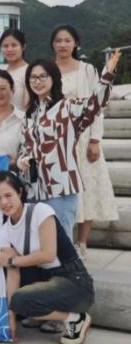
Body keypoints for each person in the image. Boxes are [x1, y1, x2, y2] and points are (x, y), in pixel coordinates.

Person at [18, 50, 121, 244]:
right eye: (33, 77)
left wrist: (107, 74)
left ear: (54, 79)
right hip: (34, 187)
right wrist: (23, 160)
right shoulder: (30, 114)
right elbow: (25, 147)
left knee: (61, 242)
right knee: (39, 242)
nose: (37, 81)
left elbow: (96, 102)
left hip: (61, 187)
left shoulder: (67, 107)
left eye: (42, 76)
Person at [0, 171, 94, 344]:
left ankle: (75, 319)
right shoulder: (5, 230)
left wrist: (11, 261)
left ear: (20, 192)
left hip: (74, 282)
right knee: (12, 292)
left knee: (20, 300)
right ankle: (38, 313)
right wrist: (11, 320)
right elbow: (13, 274)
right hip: (47, 279)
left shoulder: (40, 211)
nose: (4, 202)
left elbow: (48, 255)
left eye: (8, 195)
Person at [51, 25, 118, 259]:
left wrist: (95, 139)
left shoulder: (87, 69)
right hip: (57, 140)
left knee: (86, 190)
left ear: (76, 43)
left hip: (83, 137)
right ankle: (63, 243)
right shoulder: (47, 69)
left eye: (67, 40)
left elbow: (97, 104)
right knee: (62, 192)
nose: (62, 45)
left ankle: (82, 243)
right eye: (58, 40)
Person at [0, 29, 29, 111]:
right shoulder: (0, 74)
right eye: (5, 46)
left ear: (23, 47)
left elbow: (28, 104)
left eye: (14, 45)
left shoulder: (29, 71)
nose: (9, 49)